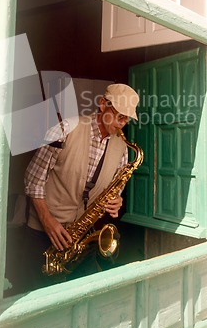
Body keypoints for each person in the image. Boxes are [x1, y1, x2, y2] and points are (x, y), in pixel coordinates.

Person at [22, 83, 139, 291]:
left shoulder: (122, 148)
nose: (122, 124)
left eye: (127, 119)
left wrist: (116, 201)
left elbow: (114, 190)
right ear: (103, 104)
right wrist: (47, 221)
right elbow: (33, 180)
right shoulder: (66, 128)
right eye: (120, 116)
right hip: (44, 233)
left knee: (84, 292)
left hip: (81, 236)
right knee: (41, 297)